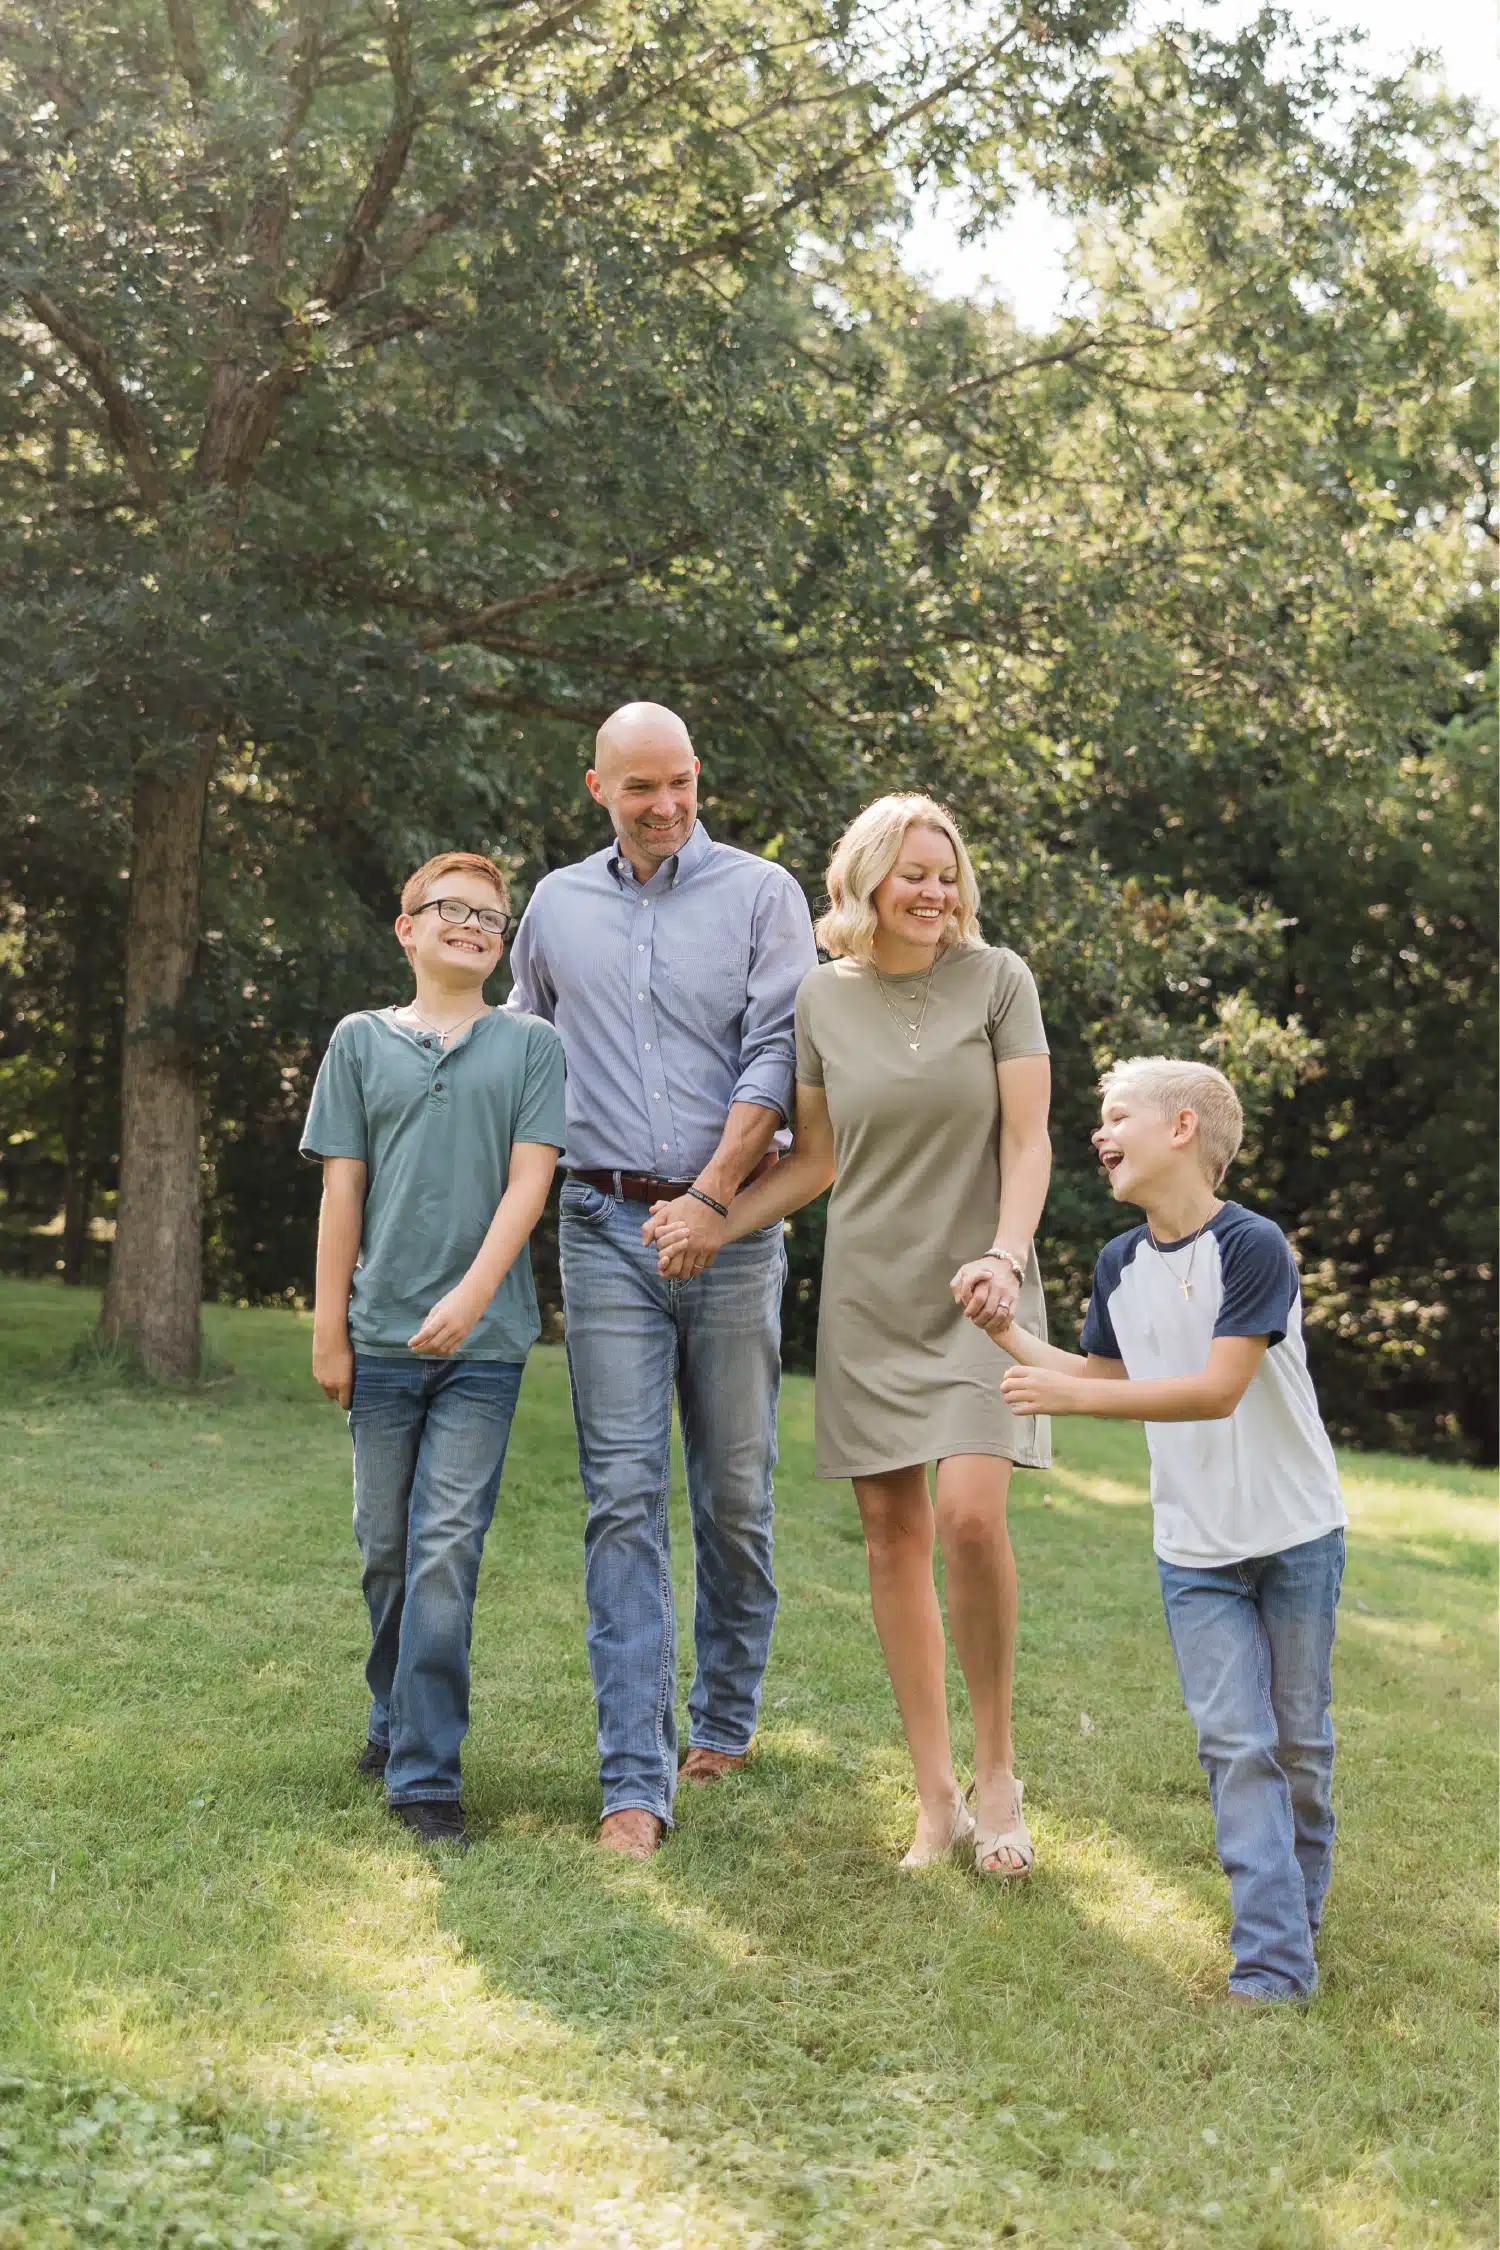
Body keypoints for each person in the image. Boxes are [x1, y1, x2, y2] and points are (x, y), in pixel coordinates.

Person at [652, 793, 1052, 1876]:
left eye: (946, 874)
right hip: (871, 1296)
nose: (934, 892)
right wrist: (715, 1216)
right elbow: (819, 1159)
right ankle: (936, 1797)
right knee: (891, 1537)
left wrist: (1007, 1256)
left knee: (971, 1518)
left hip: (982, 1292)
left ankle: (999, 1775)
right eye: (914, 873)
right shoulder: (821, 999)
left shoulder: (999, 981)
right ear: (866, 881)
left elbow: (1029, 1142)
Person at [506, 702, 817, 1858]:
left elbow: (777, 1051)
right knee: (623, 1499)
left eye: (680, 780)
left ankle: (724, 1716)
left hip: (730, 1231)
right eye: (641, 787)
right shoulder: (555, 906)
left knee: (733, 1494)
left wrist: (712, 1200)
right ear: (599, 789)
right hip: (601, 1228)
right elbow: (524, 1046)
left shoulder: (762, 894)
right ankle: (633, 1780)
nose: (666, 805)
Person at [971, 1057, 1347, 2002]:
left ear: (1183, 1127)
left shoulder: (1254, 1245)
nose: (1099, 1134)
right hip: (1194, 1551)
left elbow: (1218, 1390)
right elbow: (1104, 1376)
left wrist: (1067, 1399)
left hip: (1295, 1533)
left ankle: (1292, 1921)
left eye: (1115, 1115)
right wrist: (1004, 1329)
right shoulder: (1120, 1262)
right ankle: (1271, 1966)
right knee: (1236, 1745)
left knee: (1299, 1747)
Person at [302, 851, 566, 1853]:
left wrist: (472, 1294)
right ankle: (392, 1714)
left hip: (483, 1349)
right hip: (380, 1341)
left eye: (491, 917)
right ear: (406, 928)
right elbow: (342, 1193)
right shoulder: (359, 1041)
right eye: (451, 909)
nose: (473, 924)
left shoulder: (531, 1045)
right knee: (386, 1550)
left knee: (445, 1551)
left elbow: (529, 1184)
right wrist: (330, 1329)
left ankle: (425, 1777)